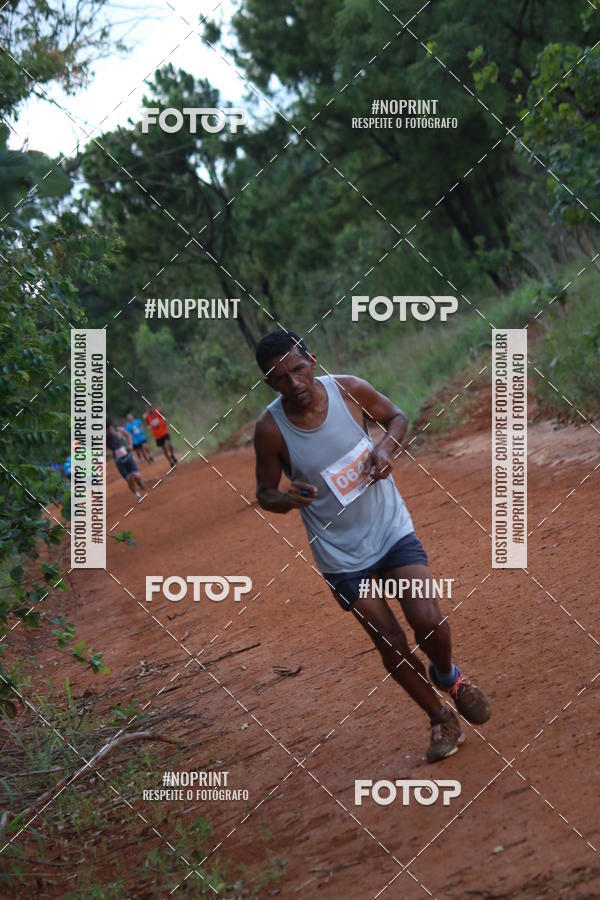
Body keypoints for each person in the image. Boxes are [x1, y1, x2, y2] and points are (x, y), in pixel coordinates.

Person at [253, 330, 491, 763]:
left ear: (312, 360)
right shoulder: (270, 430)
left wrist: (385, 447)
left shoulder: (348, 389)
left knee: (428, 619)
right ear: (270, 384)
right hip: (341, 555)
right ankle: (440, 718)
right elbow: (264, 492)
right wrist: (286, 499)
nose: (295, 384)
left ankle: (448, 676)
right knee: (390, 641)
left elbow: (396, 416)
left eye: (298, 370)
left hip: (389, 528)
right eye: (281, 379)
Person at [106, 420, 145, 501]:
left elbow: (129, 435)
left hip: (128, 456)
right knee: (129, 479)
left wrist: (130, 445)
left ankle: (138, 481)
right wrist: (112, 452)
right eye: (108, 430)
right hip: (119, 461)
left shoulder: (120, 430)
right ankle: (137, 495)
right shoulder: (106, 438)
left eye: (111, 429)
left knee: (136, 476)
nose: (110, 431)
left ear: (112, 427)